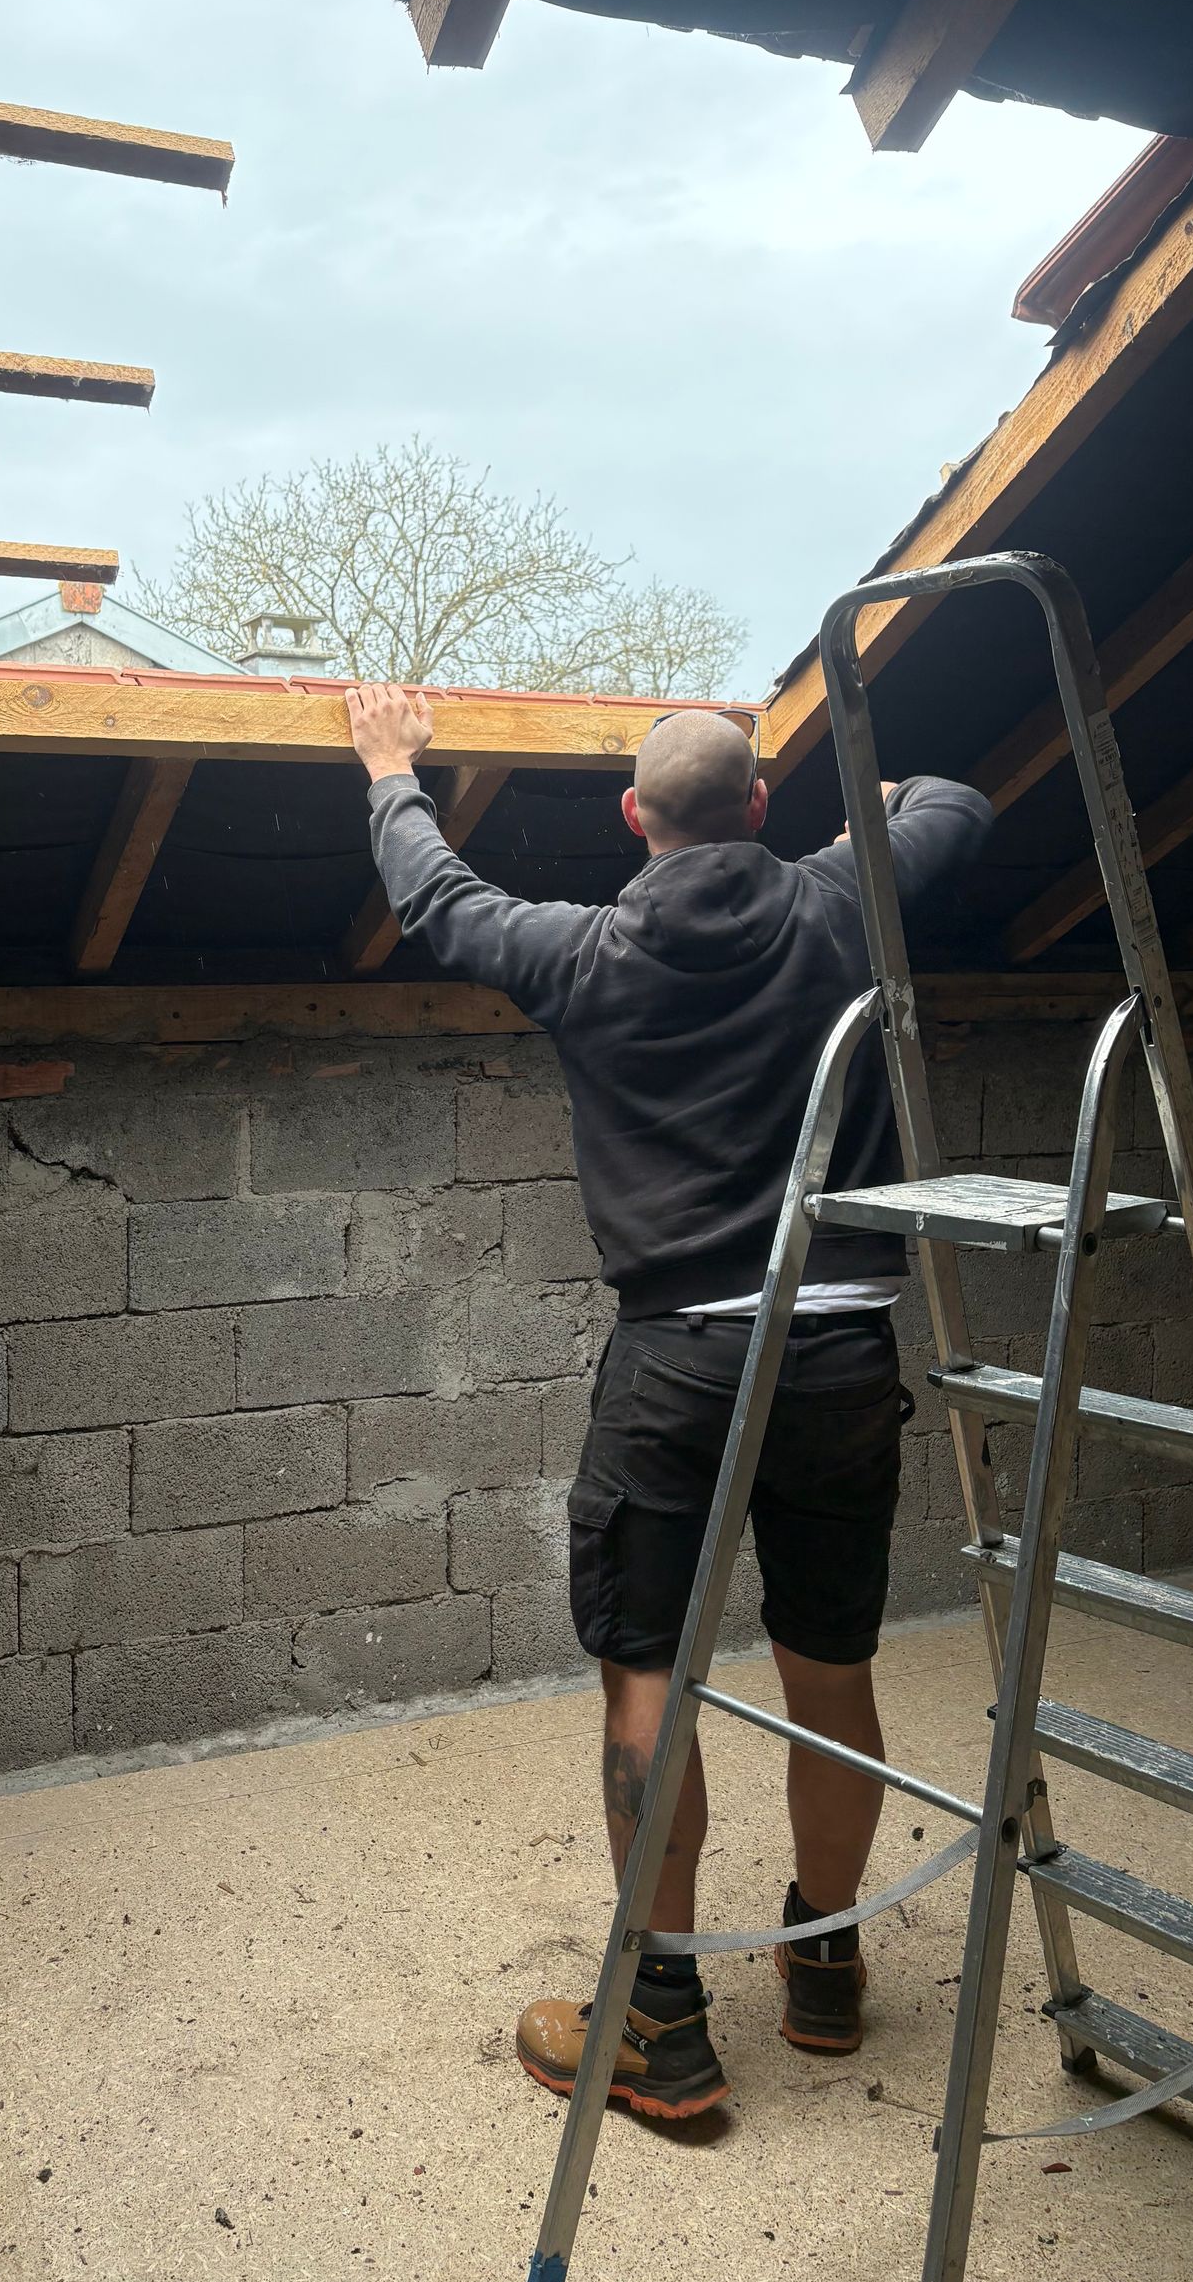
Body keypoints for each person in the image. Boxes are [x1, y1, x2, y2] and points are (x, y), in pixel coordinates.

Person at [344, 682, 992, 2119]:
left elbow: (435, 895)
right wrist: (874, 821)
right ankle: (824, 1964)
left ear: (634, 823)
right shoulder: (838, 901)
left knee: (650, 1670)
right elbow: (961, 804)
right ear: (759, 809)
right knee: (832, 1663)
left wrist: (391, 765)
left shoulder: (581, 952)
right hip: (840, 1354)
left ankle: (664, 2018)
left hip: (680, 1362)